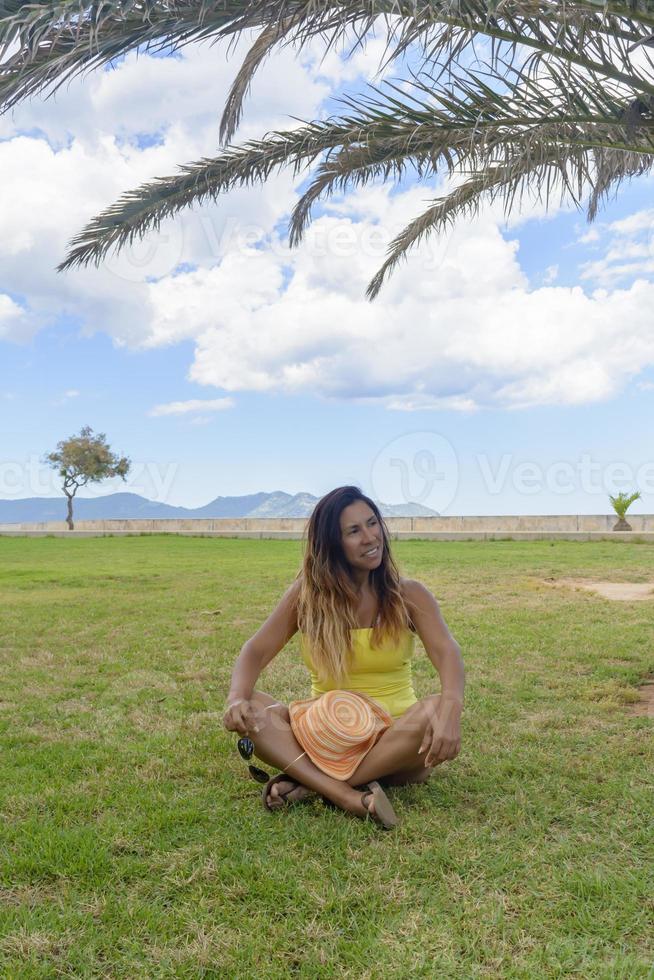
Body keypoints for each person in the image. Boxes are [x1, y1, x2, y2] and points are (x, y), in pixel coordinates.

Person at [223, 485, 465, 828]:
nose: (370, 537)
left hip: (396, 741)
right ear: (332, 544)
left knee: (433, 709)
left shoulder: (408, 594)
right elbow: (255, 650)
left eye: (372, 523)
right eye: (354, 531)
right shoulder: (306, 598)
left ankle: (312, 784)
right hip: (323, 737)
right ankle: (347, 796)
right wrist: (235, 699)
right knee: (255, 708)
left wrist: (452, 706)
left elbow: (447, 651)